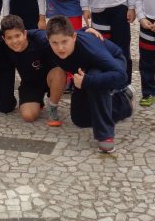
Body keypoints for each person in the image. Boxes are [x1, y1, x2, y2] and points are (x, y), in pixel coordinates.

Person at [46, 15, 133, 154]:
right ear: (48, 40)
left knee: (95, 79)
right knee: (80, 120)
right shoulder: (49, 42)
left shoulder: (93, 50)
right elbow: (29, 34)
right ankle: (120, 103)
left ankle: (105, 136)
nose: (60, 47)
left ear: (73, 37)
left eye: (64, 42)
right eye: (54, 43)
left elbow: (122, 75)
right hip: (85, 70)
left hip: (113, 63)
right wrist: (85, 29)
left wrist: (87, 81)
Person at [0, 15, 66, 126]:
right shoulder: (3, 48)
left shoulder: (40, 39)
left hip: (50, 77)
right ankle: (38, 101)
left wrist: (87, 30)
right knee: (28, 116)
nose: (14, 41)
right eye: (9, 38)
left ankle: (52, 107)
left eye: (17, 36)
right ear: (4, 39)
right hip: (30, 84)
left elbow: (65, 38)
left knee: (59, 72)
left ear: (25, 34)